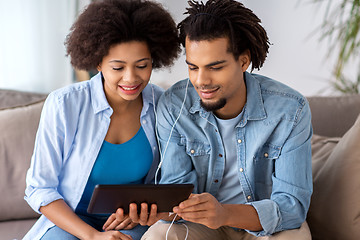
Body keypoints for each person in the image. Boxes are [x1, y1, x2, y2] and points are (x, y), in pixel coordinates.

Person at [140, 0, 313, 239]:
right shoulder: (174, 105)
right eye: (193, 67)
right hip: (202, 226)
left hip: (267, 227)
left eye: (215, 67)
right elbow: (175, 191)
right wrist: (160, 211)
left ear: (243, 61)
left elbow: (292, 207)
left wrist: (224, 213)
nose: (201, 80)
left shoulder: (290, 110)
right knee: (159, 235)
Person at [23, 0, 180, 239]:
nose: (131, 78)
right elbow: (39, 188)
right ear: (98, 63)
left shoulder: (164, 104)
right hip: (71, 222)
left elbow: (170, 182)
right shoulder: (65, 104)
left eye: (142, 65)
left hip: (131, 223)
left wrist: (145, 211)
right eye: (118, 68)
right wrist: (92, 235)